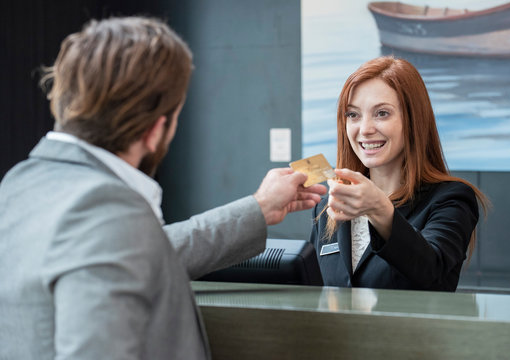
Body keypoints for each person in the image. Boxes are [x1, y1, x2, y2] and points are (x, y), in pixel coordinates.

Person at [0, 17, 327, 359]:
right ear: (157, 130)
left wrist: (259, 208)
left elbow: (153, 253)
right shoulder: (108, 210)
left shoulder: (19, 184)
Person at [310, 56, 488, 291]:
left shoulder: (451, 199)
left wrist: (380, 210)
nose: (365, 129)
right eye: (353, 115)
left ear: (414, 120)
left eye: (382, 113)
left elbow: (431, 271)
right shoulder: (327, 209)